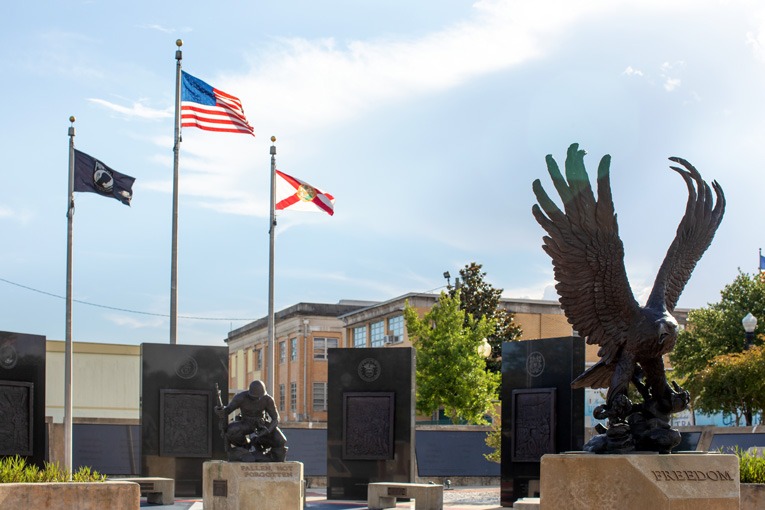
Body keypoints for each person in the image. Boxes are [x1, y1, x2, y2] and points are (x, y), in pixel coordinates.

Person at [215, 380, 288, 462]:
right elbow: (227, 410)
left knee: (281, 440)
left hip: (261, 424)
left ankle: (259, 443)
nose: (258, 399)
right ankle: (245, 445)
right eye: (255, 398)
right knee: (231, 431)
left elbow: (276, 418)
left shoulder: (268, 399)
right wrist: (219, 409)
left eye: (260, 397)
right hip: (246, 423)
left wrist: (268, 430)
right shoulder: (241, 397)